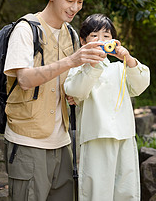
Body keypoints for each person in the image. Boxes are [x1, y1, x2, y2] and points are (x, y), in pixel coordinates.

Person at [3, 0, 107, 201]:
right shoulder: (26, 30)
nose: (75, 8)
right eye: (69, 0)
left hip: (62, 143)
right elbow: (25, 79)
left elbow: (72, 82)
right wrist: (71, 60)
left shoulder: (71, 34)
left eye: (80, 2)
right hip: (28, 142)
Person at [64, 13, 150, 201]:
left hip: (125, 135)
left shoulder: (120, 67)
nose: (101, 41)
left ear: (114, 41)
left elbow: (141, 84)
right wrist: (93, 65)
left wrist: (128, 58)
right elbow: (75, 90)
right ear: (83, 40)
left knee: (126, 190)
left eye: (106, 36)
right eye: (94, 36)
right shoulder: (78, 68)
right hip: (96, 136)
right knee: (96, 191)